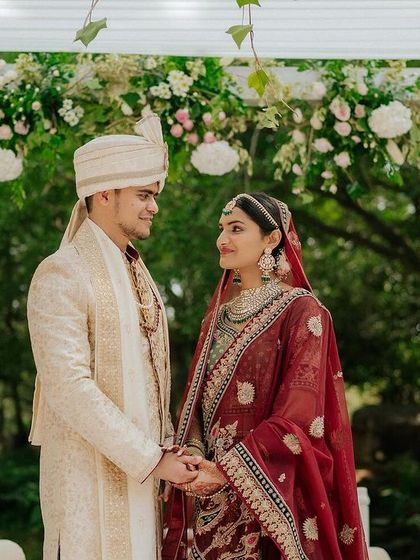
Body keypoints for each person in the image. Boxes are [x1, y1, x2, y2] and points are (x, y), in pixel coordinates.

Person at [27, 114, 201, 560]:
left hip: (145, 481)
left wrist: (167, 454)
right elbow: (68, 387)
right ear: (105, 194)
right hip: (90, 486)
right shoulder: (63, 271)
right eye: (144, 195)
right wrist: (150, 458)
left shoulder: (137, 273)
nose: (154, 207)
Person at [162, 193, 368, 559]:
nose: (222, 239)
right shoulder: (216, 319)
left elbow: (298, 416)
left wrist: (226, 472)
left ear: (272, 239)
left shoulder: (303, 312)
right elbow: (196, 402)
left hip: (271, 502)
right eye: (221, 228)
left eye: (236, 228)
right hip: (208, 503)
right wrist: (193, 454)